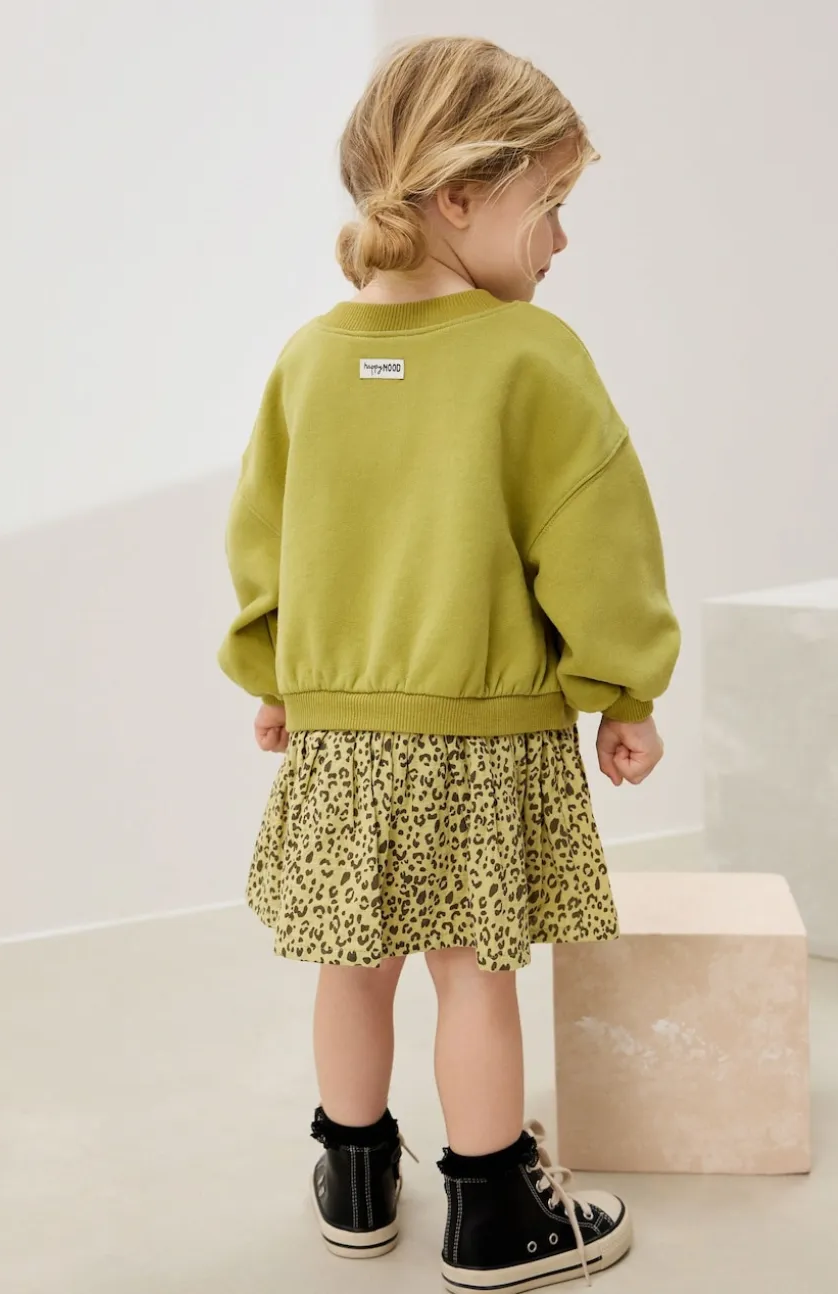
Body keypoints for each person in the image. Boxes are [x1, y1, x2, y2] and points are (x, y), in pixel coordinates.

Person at [218, 34, 680, 1293]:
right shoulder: (532, 355)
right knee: (473, 972)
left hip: (341, 738)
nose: (562, 240)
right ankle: (493, 1213)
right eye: (552, 203)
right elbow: (596, 543)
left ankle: (355, 1180)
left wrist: (278, 677)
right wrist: (622, 688)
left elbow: (268, 540)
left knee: (351, 962)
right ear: (461, 195)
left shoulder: (308, 359)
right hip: (482, 738)